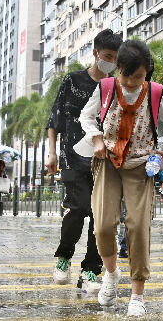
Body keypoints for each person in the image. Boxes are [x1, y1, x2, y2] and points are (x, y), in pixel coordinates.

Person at [81, 40, 163, 316]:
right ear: (118, 69)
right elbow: (86, 118)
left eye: (139, 76)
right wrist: (97, 138)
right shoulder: (106, 88)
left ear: (147, 71)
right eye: (127, 75)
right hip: (107, 162)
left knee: (137, 227)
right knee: (102, 225)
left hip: (140, 167)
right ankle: (111, 275)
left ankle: (137, 295)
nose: (133, 82)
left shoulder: (155, 93)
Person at [47, 29, 122, 292]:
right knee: (77, 208)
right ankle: (64, 257)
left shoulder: (116, 86)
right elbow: (55, 118)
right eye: (107, 56)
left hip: (104, 159)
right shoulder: (72, 81)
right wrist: (52, 152)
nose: (110, 62)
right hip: (72, 156)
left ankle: (90, 271)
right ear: (96, 53)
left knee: (101, 218)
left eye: (115, 58)